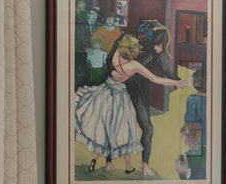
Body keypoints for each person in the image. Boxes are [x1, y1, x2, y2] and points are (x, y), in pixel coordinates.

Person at [71, 34, 177, 174]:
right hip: (120, 95)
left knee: (105, 126)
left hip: (106, 91)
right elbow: (155, 79)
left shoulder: (115, 55)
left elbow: (109, 63)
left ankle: (103, 162)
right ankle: (127, 166)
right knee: (124, 129)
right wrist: (176, 82)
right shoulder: (134, 65)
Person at [124, 22, 186, 170]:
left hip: (141, 90)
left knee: (147, 128)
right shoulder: (137, 48)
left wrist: (178, 81)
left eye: (162, 44)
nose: (160, 47)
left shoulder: (158, 54)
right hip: (126, 87)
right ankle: (112, 162)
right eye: (158, 43)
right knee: (123, 124)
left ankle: (145, 164)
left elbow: (166, 71)